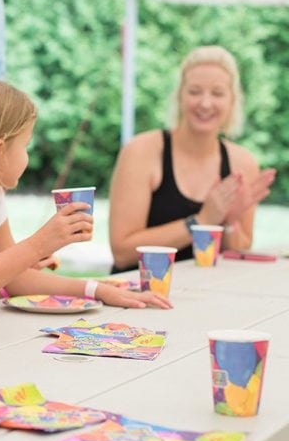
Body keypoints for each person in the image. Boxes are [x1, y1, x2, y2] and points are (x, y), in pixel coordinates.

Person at [0, 73, 172, 313]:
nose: (28, 155)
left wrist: (96, 290)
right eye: (26, 145)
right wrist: (39, 244)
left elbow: (16, 279)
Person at [109, 45, 276, 272]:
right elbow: (122, 253)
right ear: (179, 96)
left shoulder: (243, 163)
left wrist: (228, 222)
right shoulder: (141, 151)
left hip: (207, 289)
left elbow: (239, 252)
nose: (205, 103)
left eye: (217, 93)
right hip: (139, 290)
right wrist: (202, 220)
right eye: (195, 91)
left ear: (232, 101)